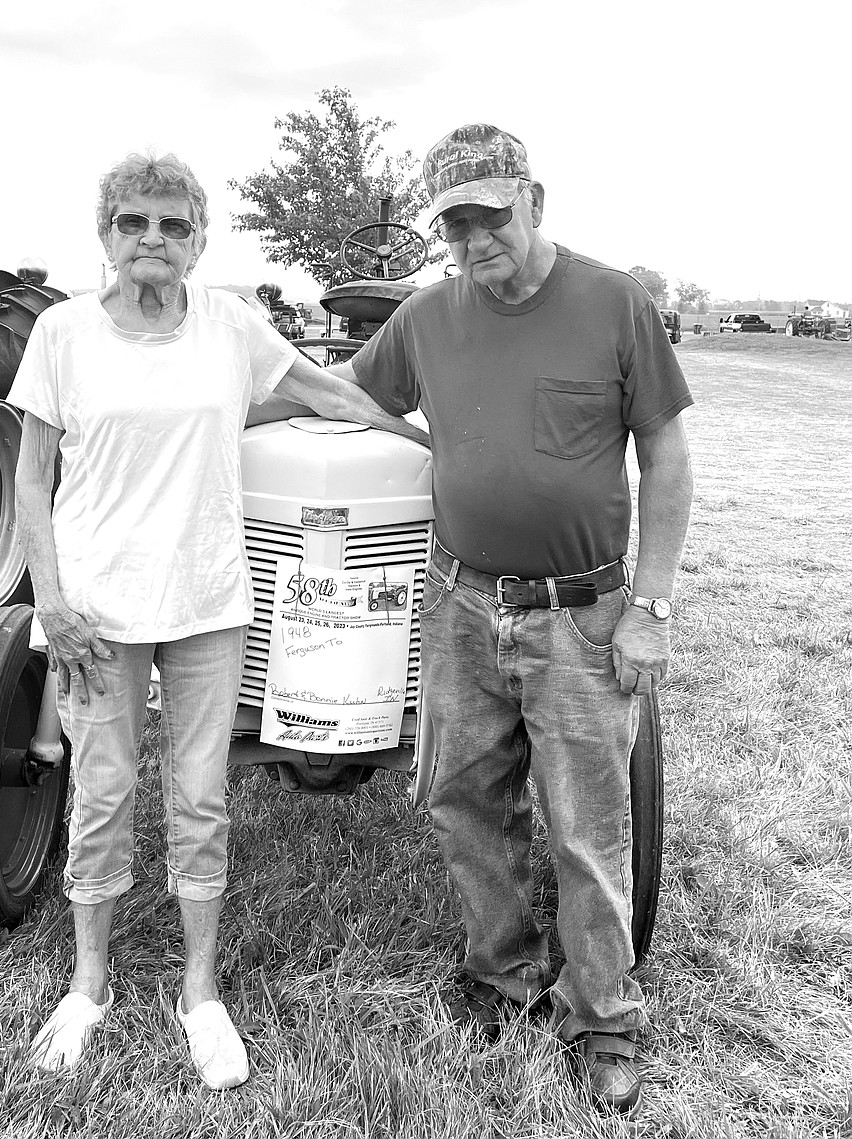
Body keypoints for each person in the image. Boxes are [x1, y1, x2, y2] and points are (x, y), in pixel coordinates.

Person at [8, 151, 426, 1088]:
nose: (151, 239)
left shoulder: (231, 325)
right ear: (106, 235)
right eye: (133, 223)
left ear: (199, 242)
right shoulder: (61, 333)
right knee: (103, 792)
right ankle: (89, 983)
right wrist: (51, 597)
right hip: (101, 608)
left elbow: (326, 392)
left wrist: (416, 440)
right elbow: (32, 480)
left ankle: (200, 992)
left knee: (200, 795)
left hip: (207, 601)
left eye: (172, 225)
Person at [338, 124, 694, 1117]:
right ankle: (501, 977)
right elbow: (339, 391)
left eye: (487, 214)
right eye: (450, 222)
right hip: (457, 600)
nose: (469, 238)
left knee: (587, 826)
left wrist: (649, 606)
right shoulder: (424, 318)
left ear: (532, 198)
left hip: (581, 614)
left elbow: (665, 459)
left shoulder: (613, 302)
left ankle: (604, 1019)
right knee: (464, 799)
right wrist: (218, 391)